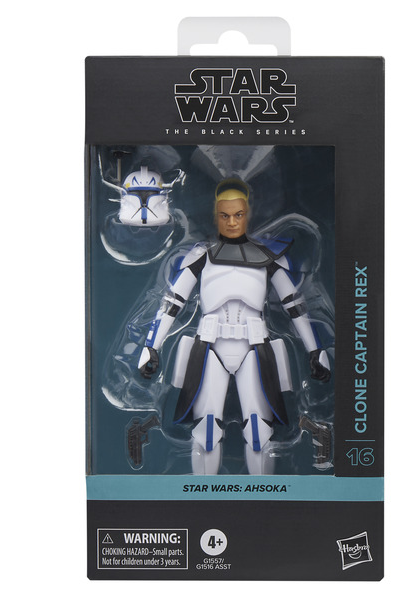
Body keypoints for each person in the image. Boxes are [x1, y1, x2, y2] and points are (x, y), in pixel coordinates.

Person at [138, 178, 331, 474]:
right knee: (206, 431)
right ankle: (203, 493)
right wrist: (151, 346)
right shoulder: (201, 256)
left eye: (238, 215)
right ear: (216, 216)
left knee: (259, 432)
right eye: (225, 215)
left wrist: (315, 349)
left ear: (247, 214)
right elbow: (172, 302)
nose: (231, 222)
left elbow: (294, 305)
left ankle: (262, 495)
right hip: (210, 344)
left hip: (253, 346)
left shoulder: (267, 258)